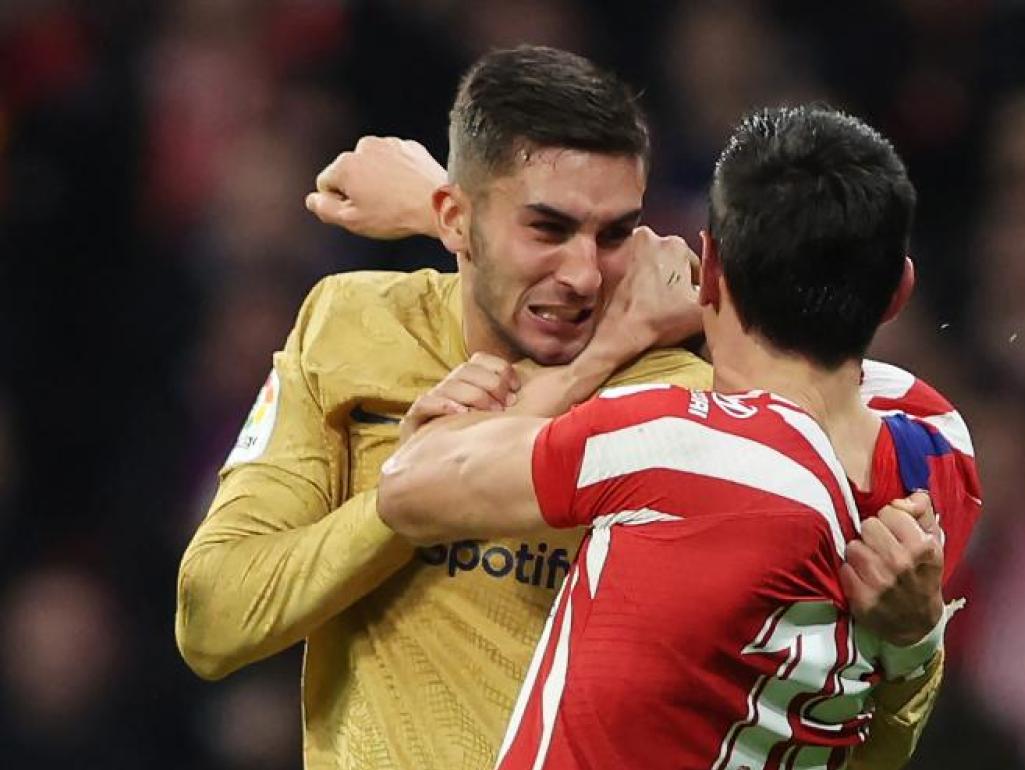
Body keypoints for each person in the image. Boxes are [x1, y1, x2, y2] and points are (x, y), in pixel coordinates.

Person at [177, 46, 949, 770]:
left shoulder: (695, 410)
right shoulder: (352, 325)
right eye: (548, 228)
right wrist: (405, 500)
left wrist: (912, 651)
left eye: (614, 235)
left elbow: (822, 738)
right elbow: (214, 620)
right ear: (452, 219)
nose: (583, 274)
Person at [375, 104, 981, 769]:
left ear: (712, 266)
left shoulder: (678, 448)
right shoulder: (941, 456)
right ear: (899, 293)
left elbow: (409, 486)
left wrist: (612, 341)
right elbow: (837, 383)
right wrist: (918, 645)